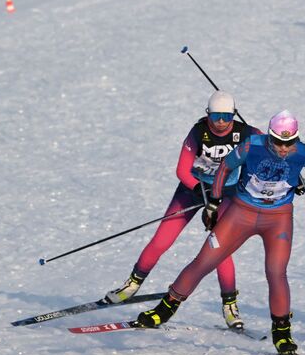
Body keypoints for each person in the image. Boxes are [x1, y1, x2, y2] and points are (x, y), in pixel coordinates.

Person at [133, 111, 305, 355]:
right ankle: (165, 308)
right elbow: (225, 168)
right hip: (240, 214)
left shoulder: (304, 152)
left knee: (276, 273)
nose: (284, 149)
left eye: (290, 143)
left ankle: (282, 333)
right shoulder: (251, 146)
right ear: (269, 137)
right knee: (204, 261)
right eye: (278, 142)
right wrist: (213, 203)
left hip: (278, 219)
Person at [103, 91, 254, 330]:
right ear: (208, 114)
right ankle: (132, 284)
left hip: (226, 194)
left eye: (226, 116)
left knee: (220, 248)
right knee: (162, 239)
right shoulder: (198, 133)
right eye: (216, 116)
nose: (221, 122)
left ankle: (230, 304)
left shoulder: (246, 133)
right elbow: (182, 170)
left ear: (234, 115)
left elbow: (272, 150)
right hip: (193, 190)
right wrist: (199, 190)